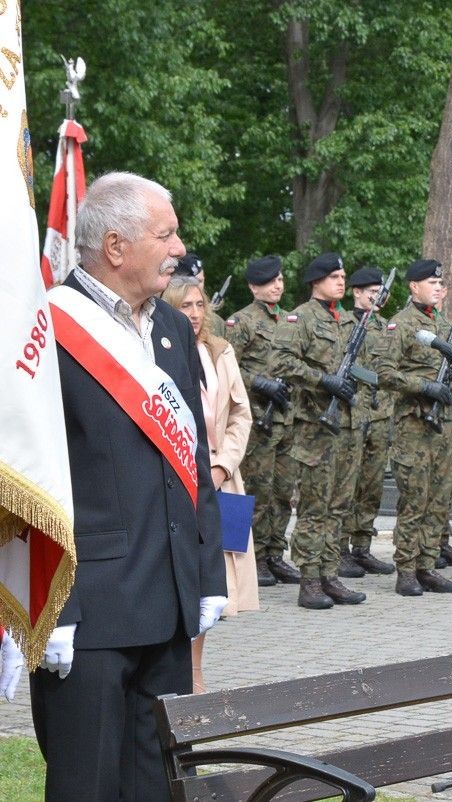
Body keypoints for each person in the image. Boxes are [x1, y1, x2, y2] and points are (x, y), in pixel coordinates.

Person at [34, 172, 227, 800]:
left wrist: (207, 573)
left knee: (156, 785)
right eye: (165, 234)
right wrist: (53, 608)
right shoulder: (43, 334)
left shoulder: (171, 327)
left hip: (167, 607)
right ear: (115, 247)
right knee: (87, 786)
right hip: (87, 615)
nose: (179, 248)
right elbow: (28, 478)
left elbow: (193, 458)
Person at [162, 275, 260, 693]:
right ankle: (170, 667)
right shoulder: (157, 350)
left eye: (200, 305)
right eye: (186, 306)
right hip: (173, 477)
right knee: (175, 572)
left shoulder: (220, 352)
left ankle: (196, 671)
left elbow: (241, 414)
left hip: (218, 478)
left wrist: (222, 466)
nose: (196, 314)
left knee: (212, 575)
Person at [271, 253, 366, 609]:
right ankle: (309, 579)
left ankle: (330, 573)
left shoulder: (344, 321)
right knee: (315, 507)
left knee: (339, 506)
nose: (341, 282)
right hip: (314, 427)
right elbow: (279, 362)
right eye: (334, 276)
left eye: (343, 276)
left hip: (345, 426)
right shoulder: (301, 318)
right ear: (316, 281)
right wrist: (323, 380)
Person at [380, 259, 452, 595]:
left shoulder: (444, 326)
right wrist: (424, 386)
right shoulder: (400, 325)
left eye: (440, 283)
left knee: (439, 499)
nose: (437, 287)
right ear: (413, 286)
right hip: (413, 427)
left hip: (443, 426)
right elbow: (385, 374)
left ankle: (427, 565)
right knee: (414, 499)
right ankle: (406, 569)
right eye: (431, 282)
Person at [225, 255, 303, 587]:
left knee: (283, 492)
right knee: (254, 492)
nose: (278, 285)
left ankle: (273, 553)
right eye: (270, 281)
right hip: (256, 421)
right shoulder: (240, 322)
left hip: (287, 417)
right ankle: (247, 560)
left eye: (280, 280)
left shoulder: (290, 320)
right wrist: (260, 382)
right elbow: (227, 367)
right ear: (254, 286)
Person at [333, 266, 396, 578]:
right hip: (351, 415)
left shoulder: (386, 326)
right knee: (347, 483)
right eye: (370, 291)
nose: (376, 296)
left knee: (371, 486)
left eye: (379, 291)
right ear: (356, 292)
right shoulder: (342, 323)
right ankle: (340, 549)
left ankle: (362, 547)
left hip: (381, 414)